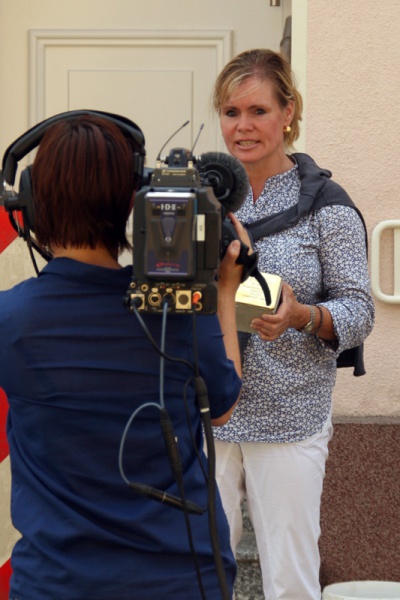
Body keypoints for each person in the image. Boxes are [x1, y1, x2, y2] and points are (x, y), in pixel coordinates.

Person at [0, 112, 249, 600]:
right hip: (182, 580)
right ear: (133, 203)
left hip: (57, 583)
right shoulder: (181, 311)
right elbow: (222, 408)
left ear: (30, 202)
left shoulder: (10, 319)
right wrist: (223, 290)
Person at [211, 49, 375, 600]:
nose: (243, 126)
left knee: (291, 583)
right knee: (198, 575)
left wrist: (302, 315)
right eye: (231, 112)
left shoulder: (327, 205)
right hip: (206, 412)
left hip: (290, 416)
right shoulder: (200, 201)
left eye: (257, 110)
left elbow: (360, 311)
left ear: (288, 113)